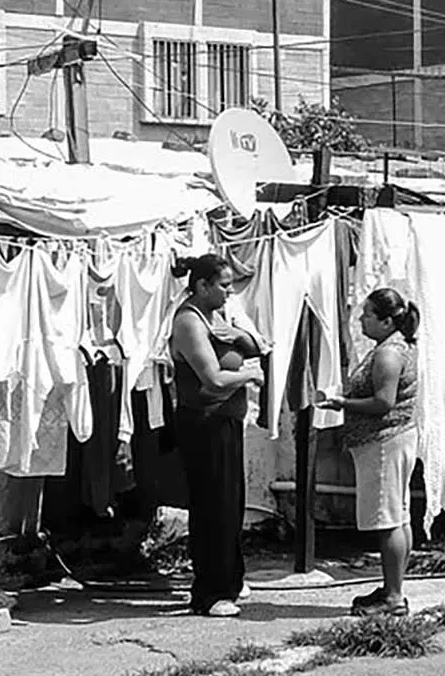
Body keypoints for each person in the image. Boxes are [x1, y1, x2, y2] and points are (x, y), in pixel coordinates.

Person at [168, 253, 269, 617]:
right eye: (224, 285)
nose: (229, 292)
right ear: (202, 286)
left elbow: (257, 344)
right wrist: (250, 376)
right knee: (212, 507)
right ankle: (210, 593)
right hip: (205, 424)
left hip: (227, 420)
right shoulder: (190, 322)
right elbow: (212, 379)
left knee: (230, 506)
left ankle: (230, 579)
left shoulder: (217, 316)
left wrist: (239, 336)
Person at [319, 288, 420, 617]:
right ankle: (394, 587)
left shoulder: (388, 355)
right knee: (398, 515)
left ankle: (393, 598)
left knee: (388, 520)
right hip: (394, 439)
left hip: (383, 443)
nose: (361, 319)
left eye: (367, 314)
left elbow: (383, 402)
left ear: (386, 320)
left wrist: (341, 403)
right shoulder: (392, 347)